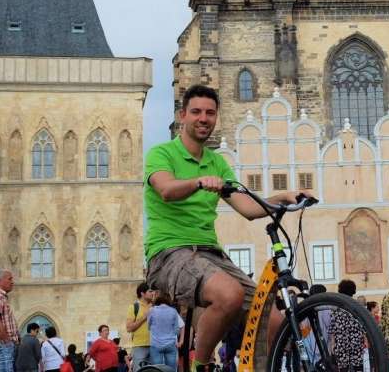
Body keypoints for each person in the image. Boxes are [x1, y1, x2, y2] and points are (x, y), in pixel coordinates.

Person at [143, 84, 302, 372]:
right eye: (196, 112)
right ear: (183, 115)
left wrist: (282, 198)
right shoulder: (162, 153)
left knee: (277, 323)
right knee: (229, 295)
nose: (203, 118)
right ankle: (200, 365)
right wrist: (199, 181)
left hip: (211, 256)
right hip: (169, 253)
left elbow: (248, 208)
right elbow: (166, 189)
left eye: (210, 113)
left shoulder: (217, 163)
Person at [330, 280, 367, 371]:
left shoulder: (336, 308)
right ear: (353, 290)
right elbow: (364, 325)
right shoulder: (358, 307)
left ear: (340, 290)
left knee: (343, 368)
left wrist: (332, 344)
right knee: (358, 366)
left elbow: (332, 328)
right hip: (356, 341)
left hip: (341, 342)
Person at [148, 292, 185, 369]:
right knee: (171, 369)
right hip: (170, 344)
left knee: (157, 369)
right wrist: (180, 341)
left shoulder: (152, 310)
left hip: (156, 344)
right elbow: (179, 328)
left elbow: (149, 326)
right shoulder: (173, 311)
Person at [125, 283, 155, 369]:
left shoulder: (155, 306)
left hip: (155, 346)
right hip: (139, 346)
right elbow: (129, 328)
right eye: (150, 291)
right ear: (142, 293)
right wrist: (144, 317)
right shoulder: (134, 307)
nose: (152, 293)